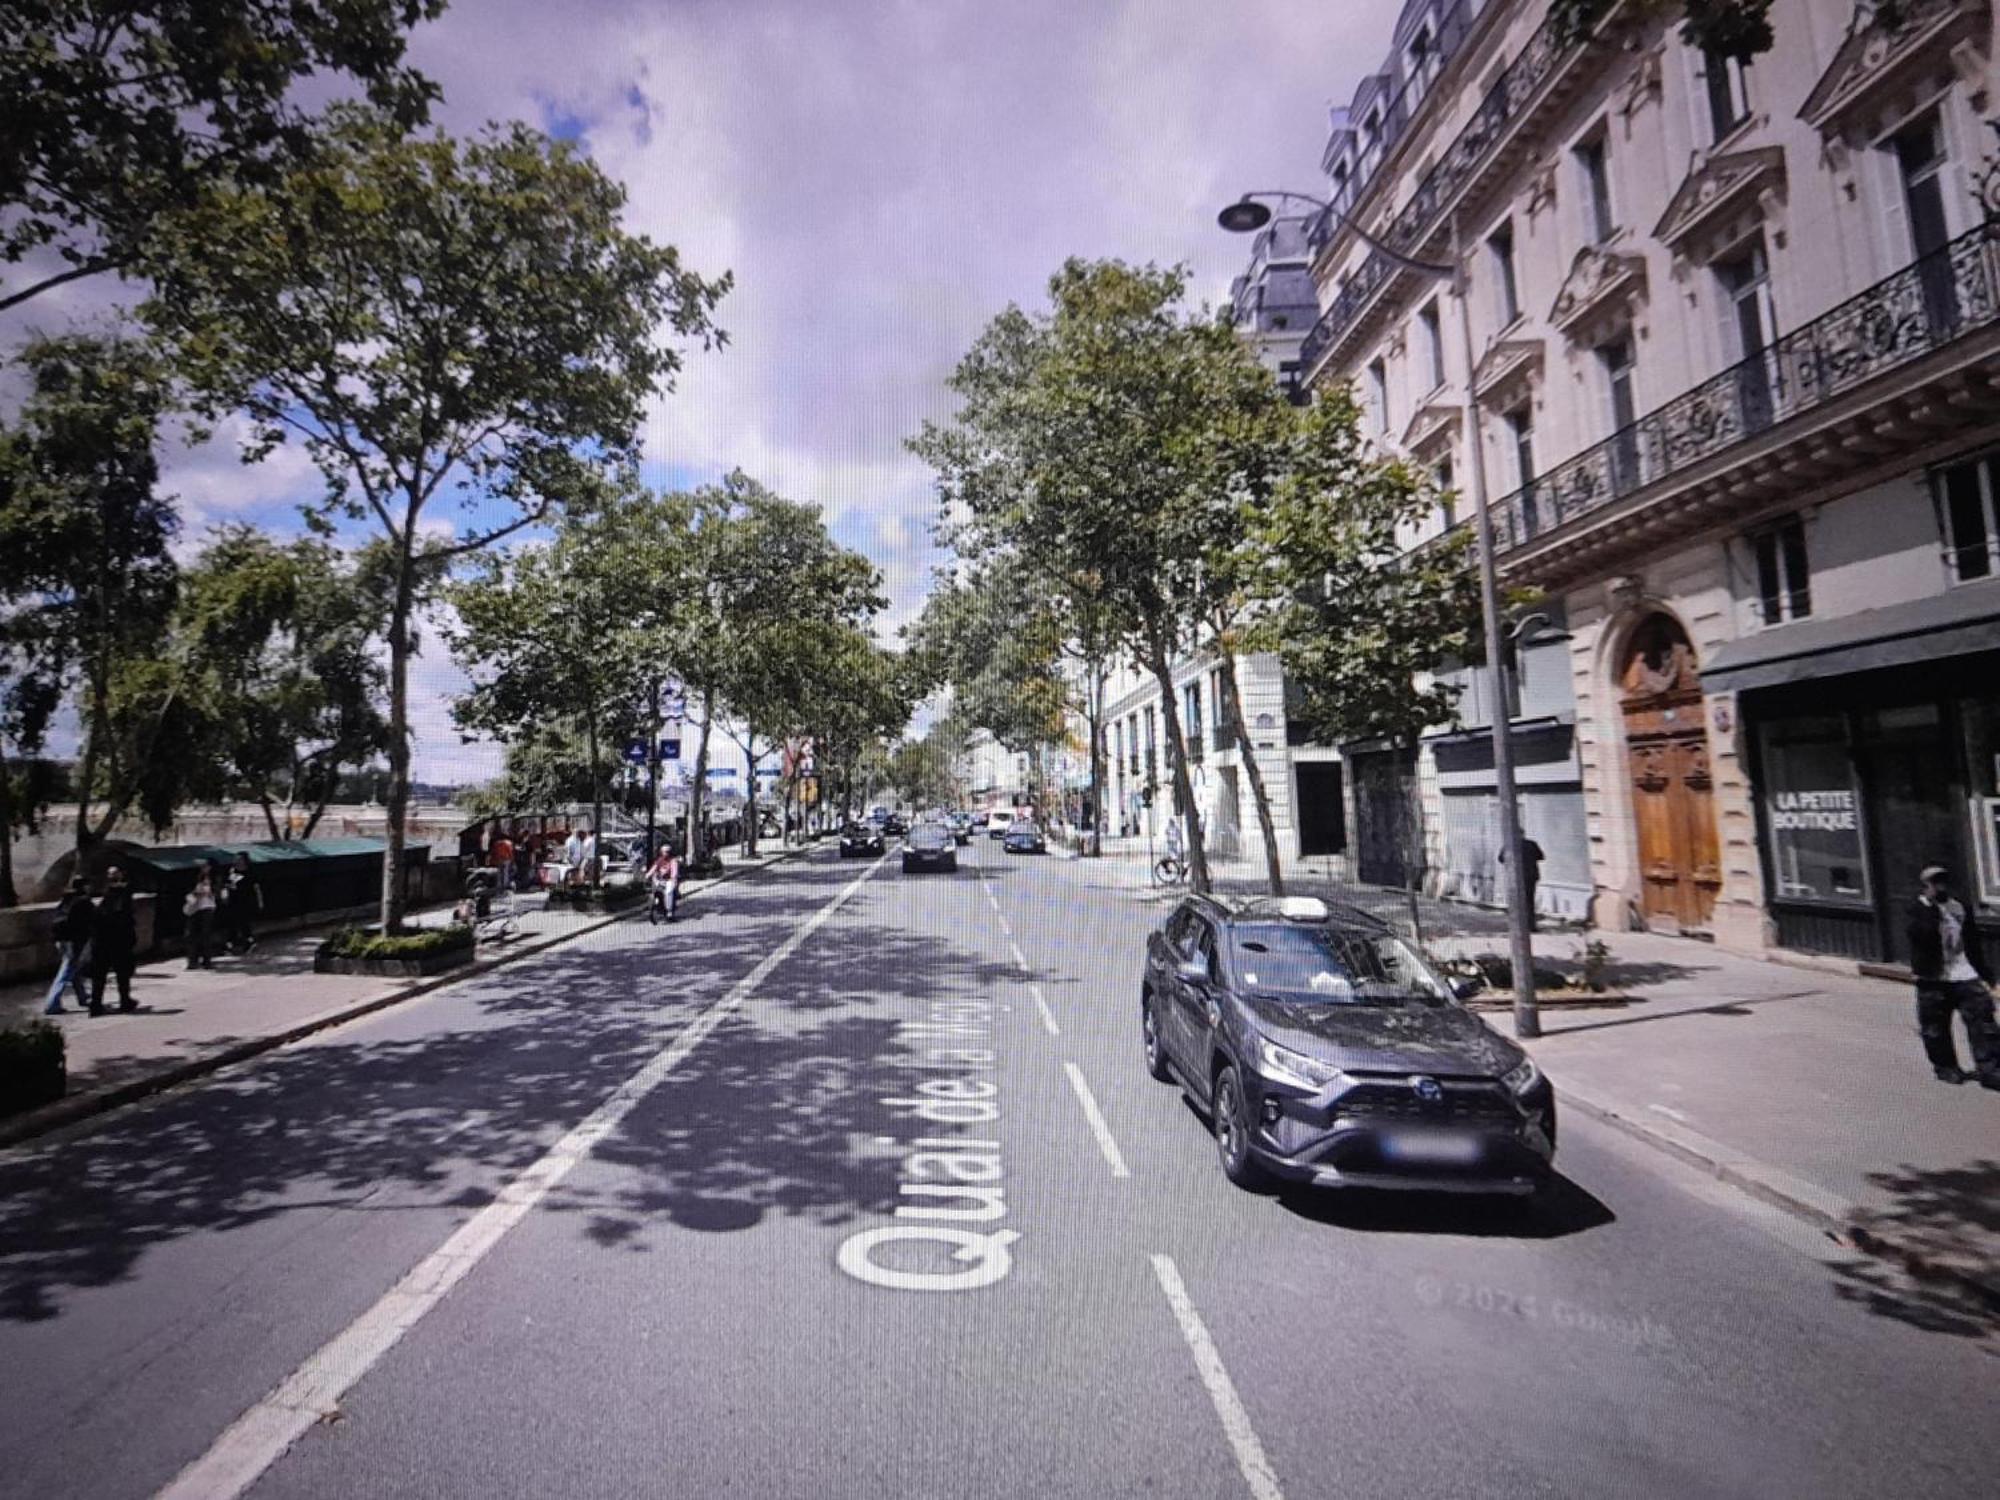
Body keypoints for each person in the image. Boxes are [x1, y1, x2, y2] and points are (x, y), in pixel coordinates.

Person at [1907, 864, 2000, 1089]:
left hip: (1963, 972)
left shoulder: (1959, 907)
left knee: (1984, 1022)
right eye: (1933, 882)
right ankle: (1946, 1067)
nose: (1939, 886)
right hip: (1932, 977)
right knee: (1935, 1028)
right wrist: (1931, 907)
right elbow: (1921, 936)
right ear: (1925, 886)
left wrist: (1987, 975)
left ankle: (1991, 1070)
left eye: (1942, 881)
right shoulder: (1915, 909)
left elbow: (1972, 942)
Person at [43, 876, 98, 1015]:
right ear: (84, 886)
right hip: (74, 941)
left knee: (74, 969)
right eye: (88, 885)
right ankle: (52, 1003)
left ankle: (83, 997)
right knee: (66, 971)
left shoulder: (66, 898)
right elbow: (95, 919)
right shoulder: (84, 901)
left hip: (60, 940)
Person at [91, 866, 139, 1014]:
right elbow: (127, 921)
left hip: (102, 943)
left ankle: (96, 1005)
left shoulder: (104, 900)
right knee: (122, 974)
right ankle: (124, 1001)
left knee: (100, 975)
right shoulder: (123, 899)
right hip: (119, 943)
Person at [1498, 835, 1546, 932]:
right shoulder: (1531, 844)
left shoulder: (1509, 846)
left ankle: (1518, 925)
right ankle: (1531, 926)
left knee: (1517, 901)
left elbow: (1501, 859)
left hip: (1516, 877)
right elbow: (1541, 856)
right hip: (1530, 876)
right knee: (1529, 901)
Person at [222, 851, 261, 955]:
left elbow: (255, 888)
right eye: (236, 859)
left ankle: (249, 942)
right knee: (231, 924)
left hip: (245, 901)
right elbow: (226, 884)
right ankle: (230, 945)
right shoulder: (232, 871)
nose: (237, 861)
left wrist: (259, 901)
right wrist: (226, 890)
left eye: (239, 860)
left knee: (244, 923)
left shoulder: (250, 873)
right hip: (232, 901)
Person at [184, 865, 219, 970]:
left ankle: (206, 961)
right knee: (191, 936)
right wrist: (196, 893)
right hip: (194, 908)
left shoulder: (213, 879)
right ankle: (192, 961)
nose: (206, 869)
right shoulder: (193, 879)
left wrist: (211, 893)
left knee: (206, 935)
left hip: (207, 908)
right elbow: (189, 893)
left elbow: (216, 892)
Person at [491, 827, 516, 895]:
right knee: (505, 872)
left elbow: (494, 852)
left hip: (499, 859)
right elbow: (510, 852)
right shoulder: (508, 843)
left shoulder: (496, 844)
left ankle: (498, 886)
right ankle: (505, 886)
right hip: (506, 859)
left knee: (499, 873)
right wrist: (512, 859)